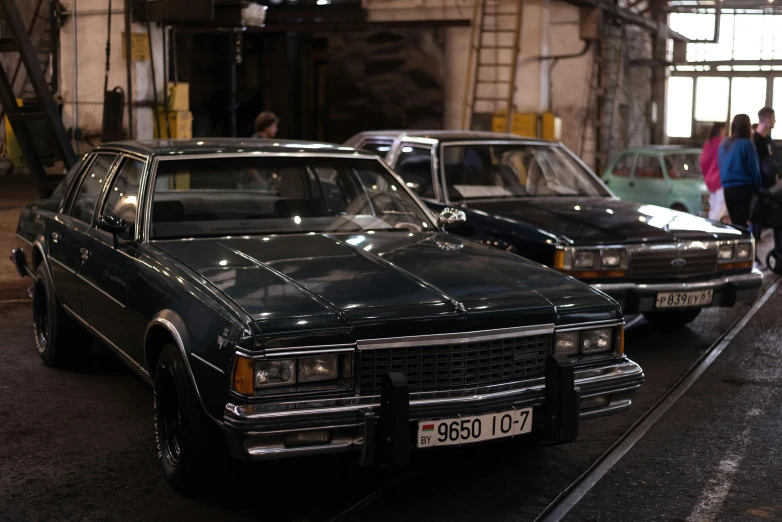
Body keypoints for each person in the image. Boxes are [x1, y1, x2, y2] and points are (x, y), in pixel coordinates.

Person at [719, 114, 761, 234]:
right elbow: (754, 169)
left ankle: (736, 250)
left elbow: (721, 165)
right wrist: (759, 187)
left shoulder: (724, 143)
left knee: (735, 223)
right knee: (742, 226)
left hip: (727, 189)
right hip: (743, 189)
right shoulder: (747, 144)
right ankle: (743, 250)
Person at [752, 106, 782, 252]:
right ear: (766, 119)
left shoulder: (768, 139)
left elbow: (773, 162)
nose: (775, 120)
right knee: (755, 224)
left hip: (771, 189)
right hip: (760, 188)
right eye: (773, 117)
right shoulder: (754, 140)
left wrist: (776, 180)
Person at [700, 122, 726, 222]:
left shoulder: (707, 144)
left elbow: (703, 162)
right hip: (720, 180)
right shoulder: (723, 143)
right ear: (720, 130)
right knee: (719, 209)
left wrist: (708, 176)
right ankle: (712, 229)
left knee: (714, 206)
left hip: (710, 182)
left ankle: (711, 227)